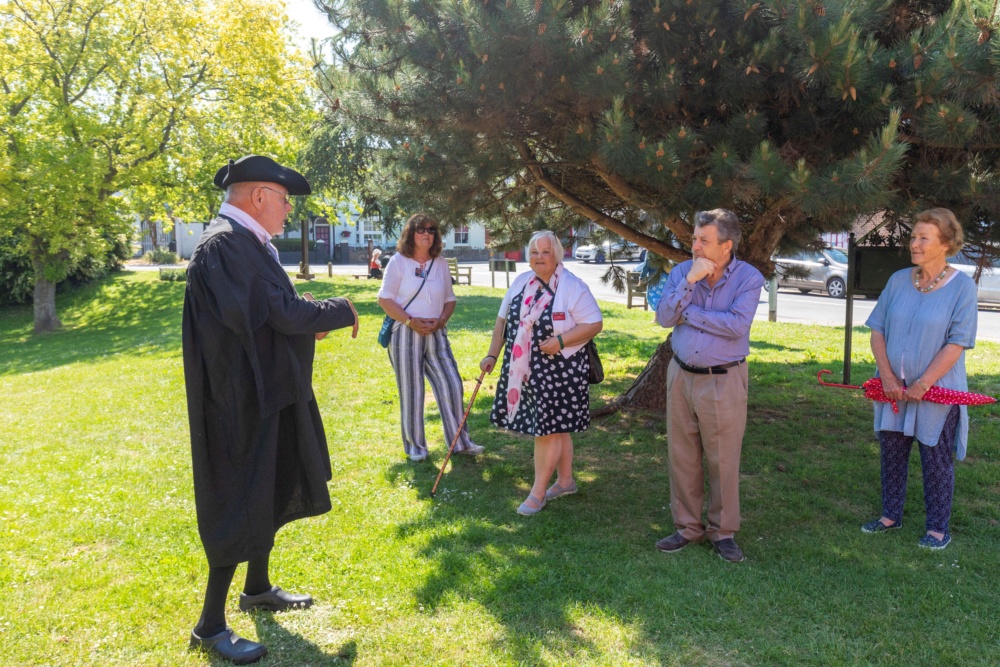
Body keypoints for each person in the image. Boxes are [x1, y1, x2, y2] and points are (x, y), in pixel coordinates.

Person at [183, 155, 360, 664]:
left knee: (269, 482)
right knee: (240, 493)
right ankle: (210, 625)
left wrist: (306, 322)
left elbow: (265, 315)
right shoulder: (226, 245)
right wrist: (337, 309)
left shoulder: (245, 244)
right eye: (283, 200)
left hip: (265, 391)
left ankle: (257, 587)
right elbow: (277, 313)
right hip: (238, 399)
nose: (287, 211)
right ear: (258, 196)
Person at [862, 208, 978, 551]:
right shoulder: (899, 280)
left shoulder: (962, 288)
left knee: (936, 458)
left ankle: (938, 529)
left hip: (938, 392)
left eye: (923, 238)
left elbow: (957, 342)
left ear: (945, 243)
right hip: (893, 389)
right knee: (892, 453)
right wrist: (885, 376)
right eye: (913, 236)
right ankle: (889, 515)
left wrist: (923, 384)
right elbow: (877, 329)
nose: (914, 243)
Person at [654, 209, 765, 563]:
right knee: (682, 456)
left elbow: (736, 325)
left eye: (704, 240)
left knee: (723, 459)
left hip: (723, 379)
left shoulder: (749, 278)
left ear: (726, 246)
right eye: (694, 239)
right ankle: (687, 527)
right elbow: (663, 318)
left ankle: (723, 531)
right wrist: (689, 283)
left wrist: (689, 313)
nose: (695, 246)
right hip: (681, 374)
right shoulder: (681, 273)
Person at [481, 231, 603, 515]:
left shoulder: (573, 286)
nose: (539, 257)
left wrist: (560, 341)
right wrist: (491, 354)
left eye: (546, 252)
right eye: (534, 252)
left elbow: (594, 323)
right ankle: (565, 481)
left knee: (546, 431)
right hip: (525, 369)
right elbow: (502, 321)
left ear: (557, 254)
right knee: (556, 428)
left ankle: (537, 494)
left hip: (562, 370)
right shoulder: (521, 282)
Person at [378, 213, 484, 462]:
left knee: (452, 384)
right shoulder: (398, 262)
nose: (426, 233)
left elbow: (449, 299)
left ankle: (460, 443)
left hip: (436, 333)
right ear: (410, 234)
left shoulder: (441, 263)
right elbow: (385, 299)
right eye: (420, 229)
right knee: (412, 391)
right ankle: (416, 448)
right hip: (405, 332)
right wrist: (410, 321)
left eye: (431, 229)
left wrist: (441, 321)